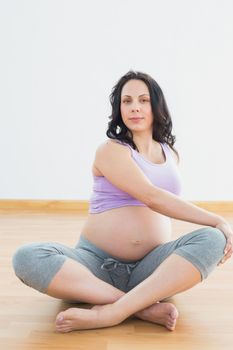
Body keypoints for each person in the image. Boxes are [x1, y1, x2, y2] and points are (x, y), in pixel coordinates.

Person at [12, 70, 233, 333]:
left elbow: (169, 205)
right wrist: (218, 218)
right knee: (26, 257)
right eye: (126, 101)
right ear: (119, 109)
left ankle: (114, 309)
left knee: (213, 239)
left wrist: (215, 228)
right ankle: (139, 307)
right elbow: (152, 197)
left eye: (143, 100)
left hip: (151, 267)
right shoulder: (111, 150)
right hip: (95, 266)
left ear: (156, 105)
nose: (135, 107)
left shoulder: (169, 154)